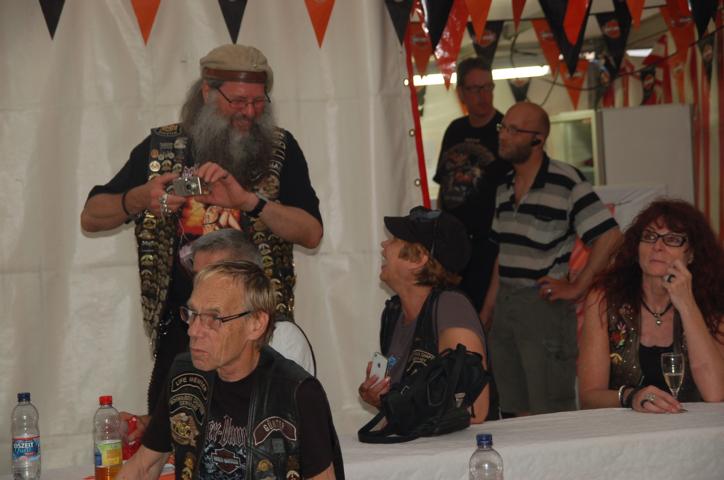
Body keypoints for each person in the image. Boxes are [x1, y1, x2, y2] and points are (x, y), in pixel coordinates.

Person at [80, 44, 323, 414]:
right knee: (175, 433)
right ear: (207, 92)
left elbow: (311, 233)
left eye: (259, 101)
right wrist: (140, 197)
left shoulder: (279, 149)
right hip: (184, 331)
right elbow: (91, 216)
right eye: (238, 100)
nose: (249, 112)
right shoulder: (161, 149)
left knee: (259, 429)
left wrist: (250, 202)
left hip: (255, 332)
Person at [118, 261, 343, 480]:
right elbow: (144, 467)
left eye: (213, 318)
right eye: (192, 313)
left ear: (256, 324)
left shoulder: (297, 393)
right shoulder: (185, 377)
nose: (193, 331)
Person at [480, 102, 621, 415]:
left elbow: (610, 236)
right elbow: (503, 253)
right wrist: (488, 311)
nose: (503, 135)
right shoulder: (504, 187)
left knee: (550, 409)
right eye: (503, 127)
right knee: (512, 408)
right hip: (505, 306)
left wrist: (577, 287)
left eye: (513, 130)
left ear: (538, 139)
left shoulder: (566, 181)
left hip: (542, 307)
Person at [578, 199, 724, 413]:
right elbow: (589, 396)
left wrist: (687, 304)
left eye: (672, 239)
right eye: (649, 236)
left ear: (692, 253)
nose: (657, 246)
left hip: (691, 427)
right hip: (625, 428)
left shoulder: (712, 302)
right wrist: (632, 396)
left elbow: (716, 393)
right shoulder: (604, 299)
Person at [358, 207, 490, 423]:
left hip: (464, 444)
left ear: (419, 258)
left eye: (395, 240)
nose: (384, 245)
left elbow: (473, 408)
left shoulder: (451, 308)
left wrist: (396, 404)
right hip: (425, 442)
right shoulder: (393, 312)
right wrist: (381, 398)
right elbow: (415, 400)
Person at [433, 56, 512, 312]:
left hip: (487, 244)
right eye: (475, 89)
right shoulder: (455, 129)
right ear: (461, 93)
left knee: (483, 314)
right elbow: (443, 185)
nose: (483, 95)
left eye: (488, 87)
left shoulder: (505, 131)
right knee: (452, 311)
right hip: (453, 242)